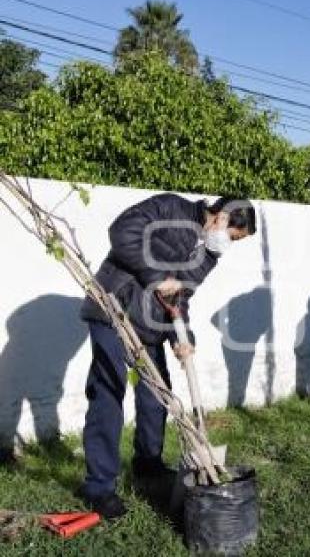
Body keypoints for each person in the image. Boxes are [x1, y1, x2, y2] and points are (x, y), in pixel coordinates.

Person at [77, 194, 257, 519]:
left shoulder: (210, 253)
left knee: (156, 395)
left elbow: (180, 296)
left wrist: (181, 336)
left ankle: (148, 465)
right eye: (232, 236)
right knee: (109, 391)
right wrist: (156, 277)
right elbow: (122, 233)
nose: (228, 244)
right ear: (219, 217)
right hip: (114, 307)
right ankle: (98, 487)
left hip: (149, 325)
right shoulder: (170, 209)